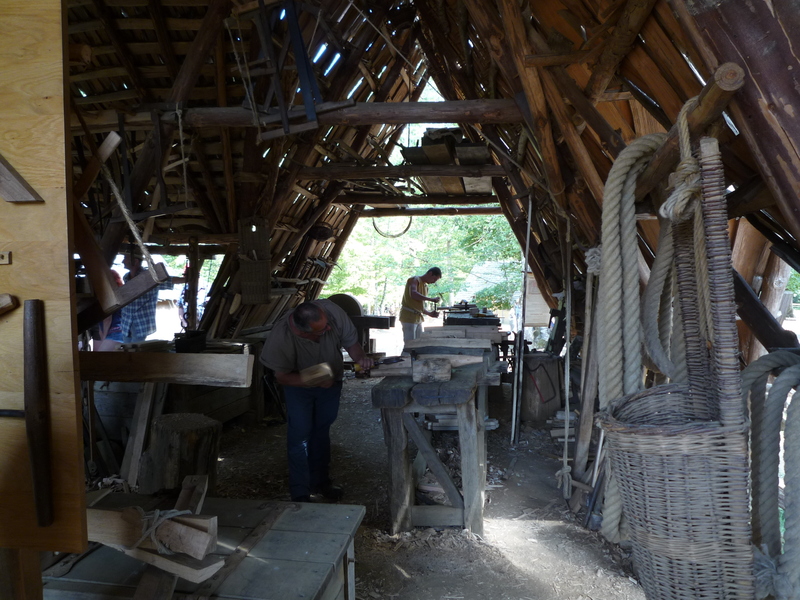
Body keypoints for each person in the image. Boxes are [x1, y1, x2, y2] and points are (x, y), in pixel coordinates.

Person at [260, 299, 374, 502]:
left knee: (321, 431)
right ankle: (300, 493)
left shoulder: (331, 312)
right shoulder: (281, 336)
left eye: (327, 324)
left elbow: (351, 344)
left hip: (331, 382)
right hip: (298, 387)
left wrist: (361, 359)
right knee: (300, 435)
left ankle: (321, 482)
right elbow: (281, 377)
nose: (329, 328)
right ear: (303, 332)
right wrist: (316, 379)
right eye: (322, 330)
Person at [119, 250, 173, 344]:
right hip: (126, 322)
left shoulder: (150, 277)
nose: (122, 261)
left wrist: (188, 278)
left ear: (135, 261)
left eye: (125, 258)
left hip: (140, 322)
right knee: (127, 349)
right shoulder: (126, 277)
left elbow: (169, 281)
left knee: (135, 350)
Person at [399, 267, 442, 342]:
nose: (433, 282)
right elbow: (413, 294)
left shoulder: (425, 287)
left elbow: (419, 306)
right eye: (434, 279)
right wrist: (431, 299)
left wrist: (429, 313)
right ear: (430, 273)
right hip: (408, 317)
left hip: (418, 318)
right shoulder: (415, 280)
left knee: (418, 343)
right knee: (409, 344)